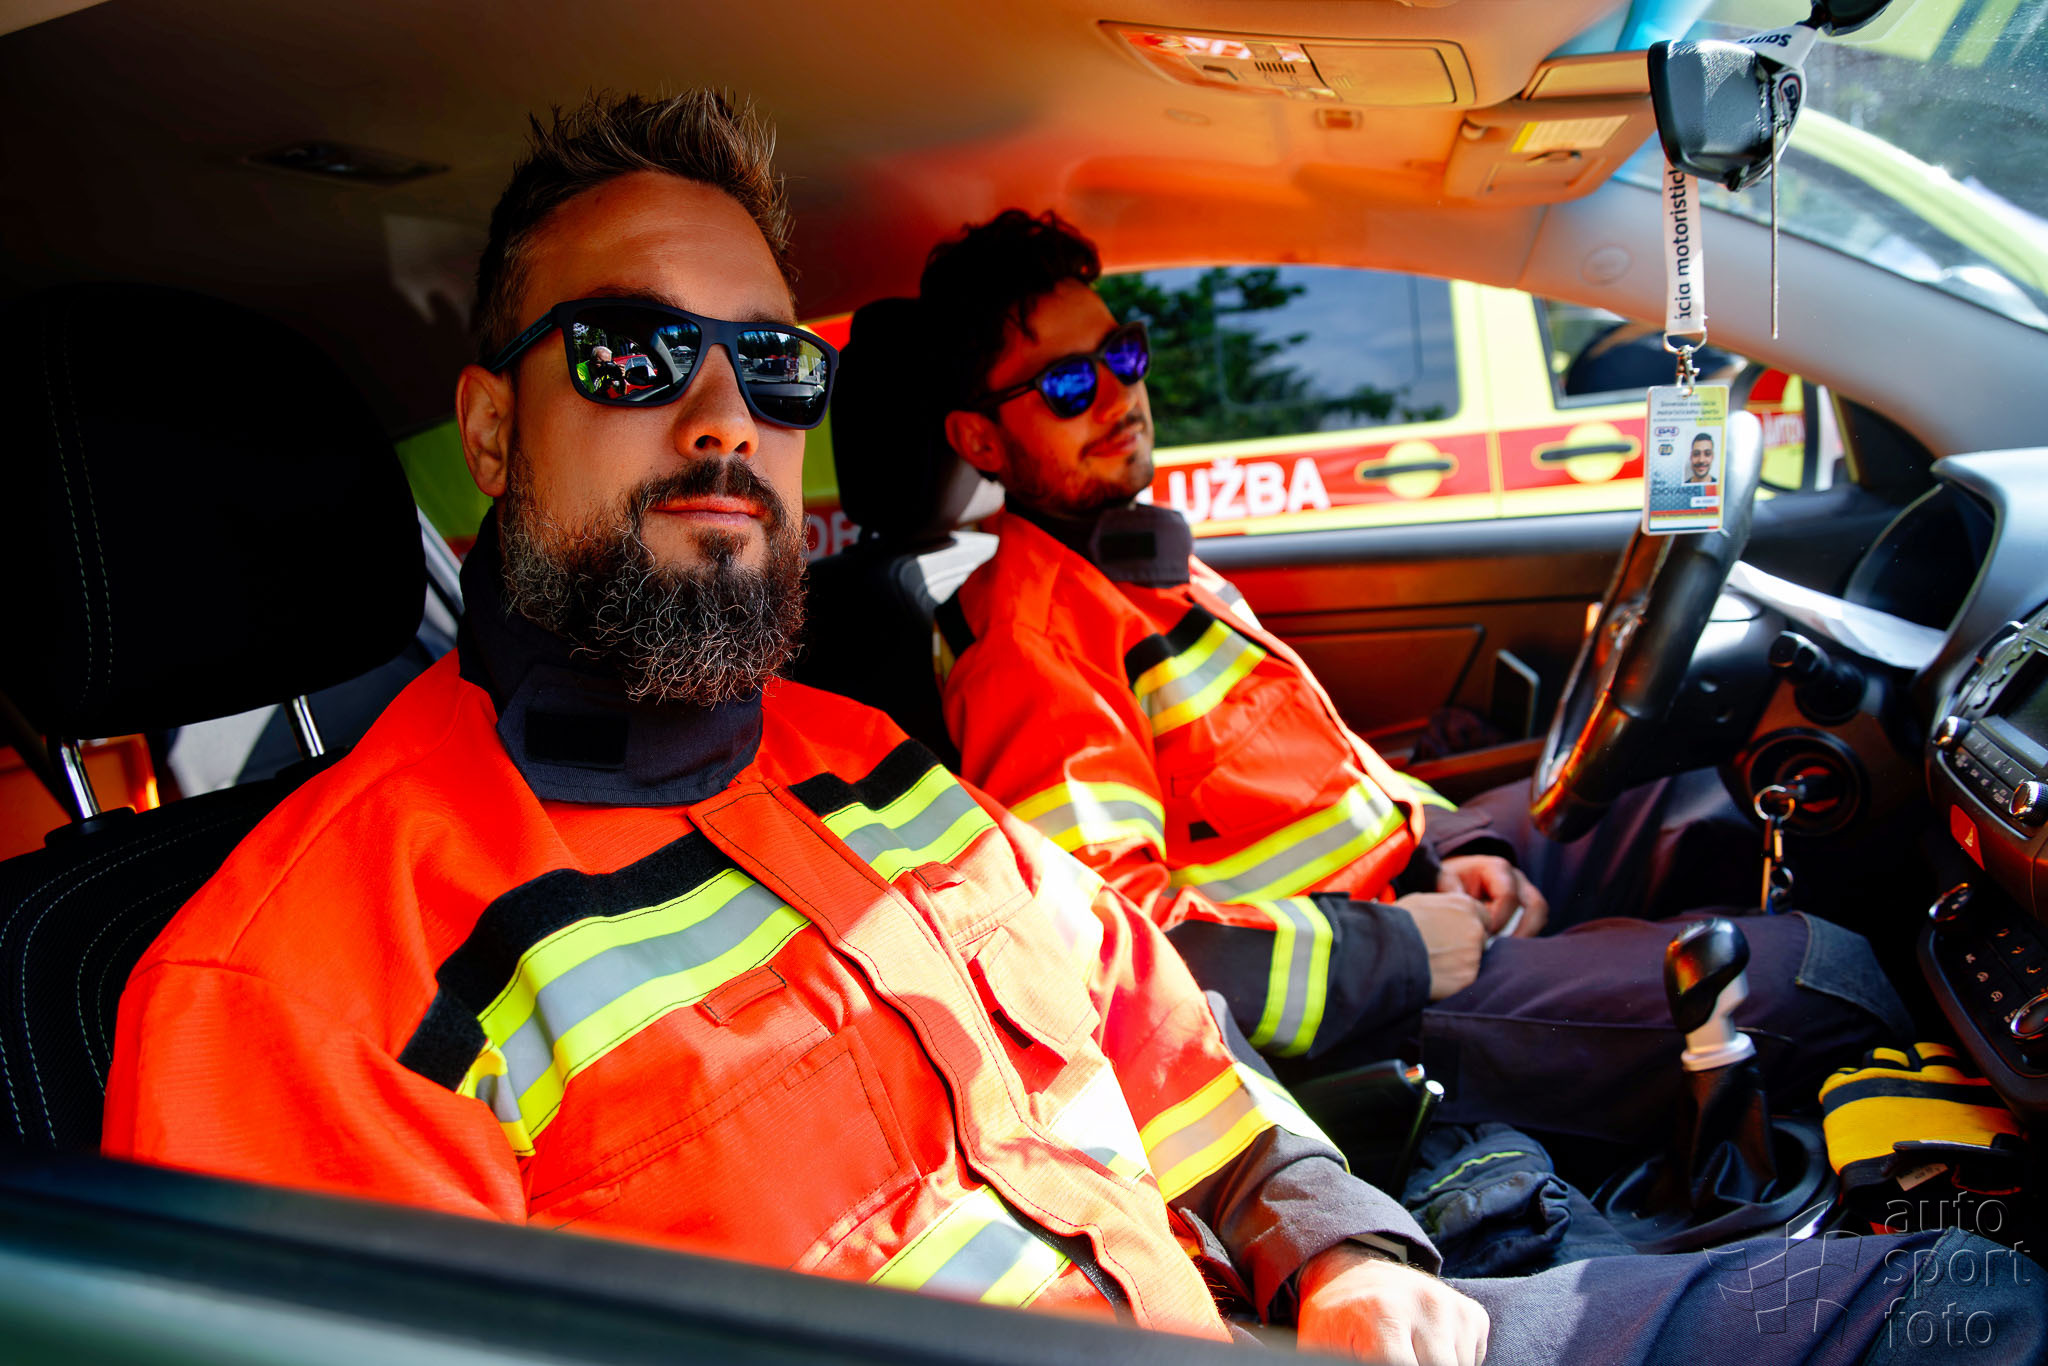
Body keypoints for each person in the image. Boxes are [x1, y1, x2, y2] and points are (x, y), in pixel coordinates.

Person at [100, 94, 2040, 1366]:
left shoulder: (859, 760)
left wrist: (1332, 1241)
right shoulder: (300, 987)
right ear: (494, 427)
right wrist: (1417, 962)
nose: (719, 417)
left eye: (770, 364)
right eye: (632, 351)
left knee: (1962, 1301)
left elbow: (1156, 1024)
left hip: (1268, 1312)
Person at [927, 210, 1909, 1145]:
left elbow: (1326, 772)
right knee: (1818, 980)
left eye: (1123, 354)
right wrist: (1398, 950)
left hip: (1403, 905)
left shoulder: (1141, 565)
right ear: (977, 440)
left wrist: (1447, 851)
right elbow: (1108, 946)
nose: (1115, 394)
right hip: (1357, 1017)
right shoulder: (1032, 646)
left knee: (1687, 794)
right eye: (1066, 383)